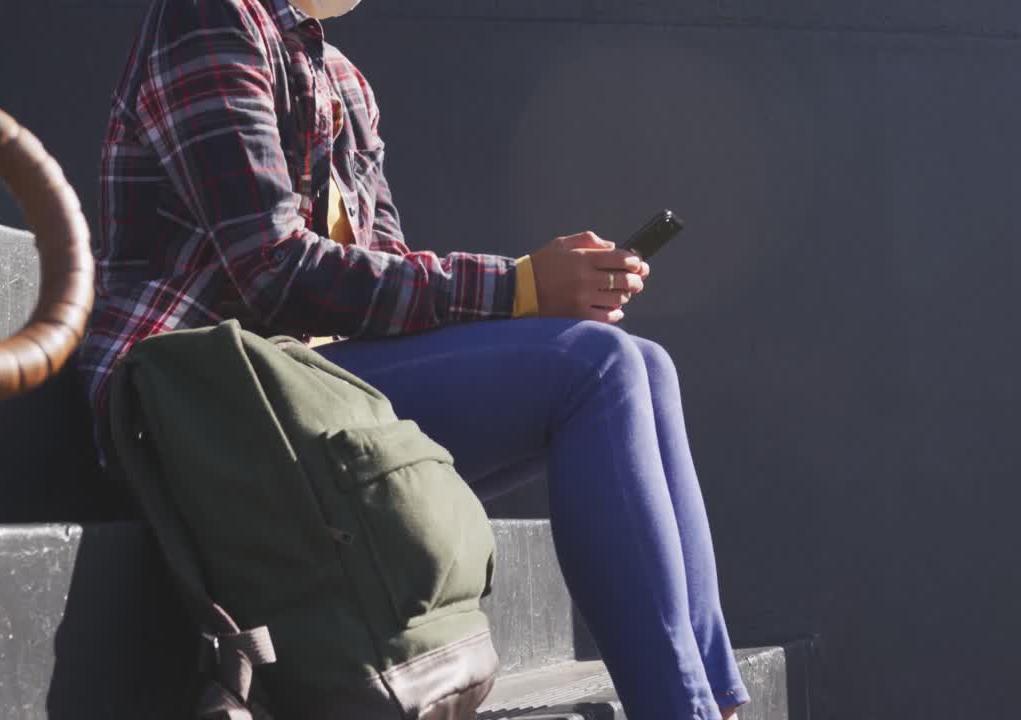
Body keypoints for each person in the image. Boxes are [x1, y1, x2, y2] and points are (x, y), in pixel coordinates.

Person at [78, 0, 751, 717]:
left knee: (642, 363)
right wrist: (519, 287)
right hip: (204, 408)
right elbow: (270, 269)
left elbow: (384, 278)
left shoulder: (344, 82)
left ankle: (713, 703)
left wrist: (546, 297)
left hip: (313, 395)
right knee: (598, 367)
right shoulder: (212, 16)